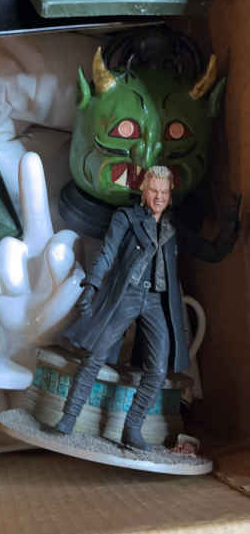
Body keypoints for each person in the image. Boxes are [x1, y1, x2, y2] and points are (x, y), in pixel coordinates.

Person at [52, 165, 239, 451]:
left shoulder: (174, 227)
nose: (159, 197)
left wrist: (231, 225)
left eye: (164, 192)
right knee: (95, 356)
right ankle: (68, 418)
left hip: (157, 301)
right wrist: (91, 286)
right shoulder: (126, 218)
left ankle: (133, 428)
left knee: (158, 369)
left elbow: (212, 252)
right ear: (144, 191)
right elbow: (107, 253)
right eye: (154, 190)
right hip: (127, 294)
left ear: (170, 194)